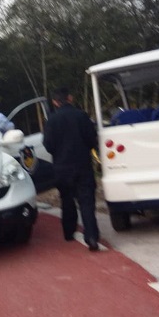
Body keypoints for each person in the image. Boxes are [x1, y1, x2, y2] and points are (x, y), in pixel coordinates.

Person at [43, 87, 100, 251]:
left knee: (67, 199)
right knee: (86, 201)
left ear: (55, 102)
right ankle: (91, 236)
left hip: (62, 167)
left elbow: (48, 145)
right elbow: (92, 139)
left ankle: (68, 232)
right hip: (82, 165)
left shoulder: (51, 120)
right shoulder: (82, 116)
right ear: (70, 98)